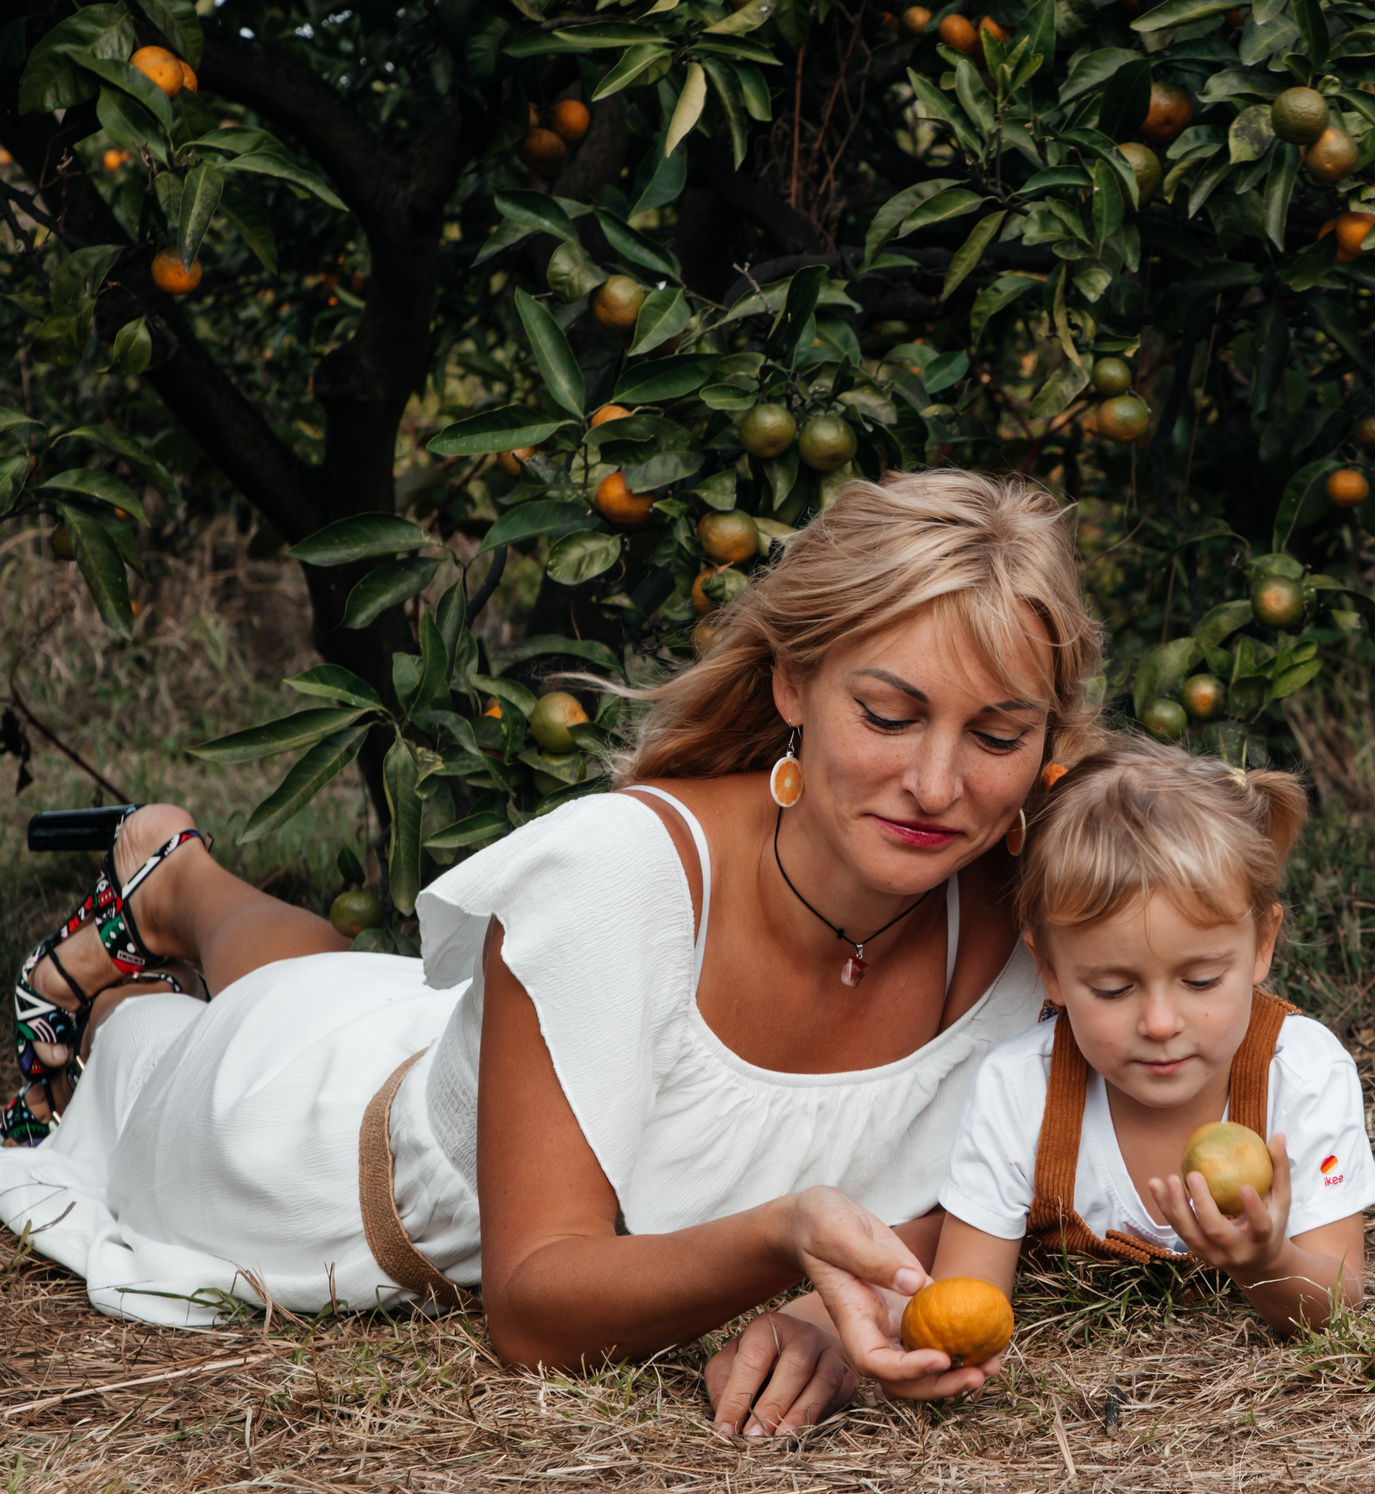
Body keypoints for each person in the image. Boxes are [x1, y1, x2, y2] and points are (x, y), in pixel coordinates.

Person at [1, 468, 1100, 1436]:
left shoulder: (1041, 919)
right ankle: (148, 937)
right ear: (793, 685)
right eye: (890, 714)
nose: (941, 784)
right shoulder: (617, 877)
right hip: (305, 1157)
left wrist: (828, 1301)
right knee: (183, 1035)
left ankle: (177, 874)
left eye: (998, 736)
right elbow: (530, 1313)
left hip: (437, 1045)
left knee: (345, 979)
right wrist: (785, 1242)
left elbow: (1024, 1161)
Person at [919, 738, 1375, 1373]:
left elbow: (1338, 1303)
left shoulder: (1299, 1073)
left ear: (1261, 945)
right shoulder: (1019, 1090)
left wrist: (1268, 1261)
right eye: (1113, 989)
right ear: (1051, 970)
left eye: (1199, 982)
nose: (1160, 1024)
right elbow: (967, 1299)